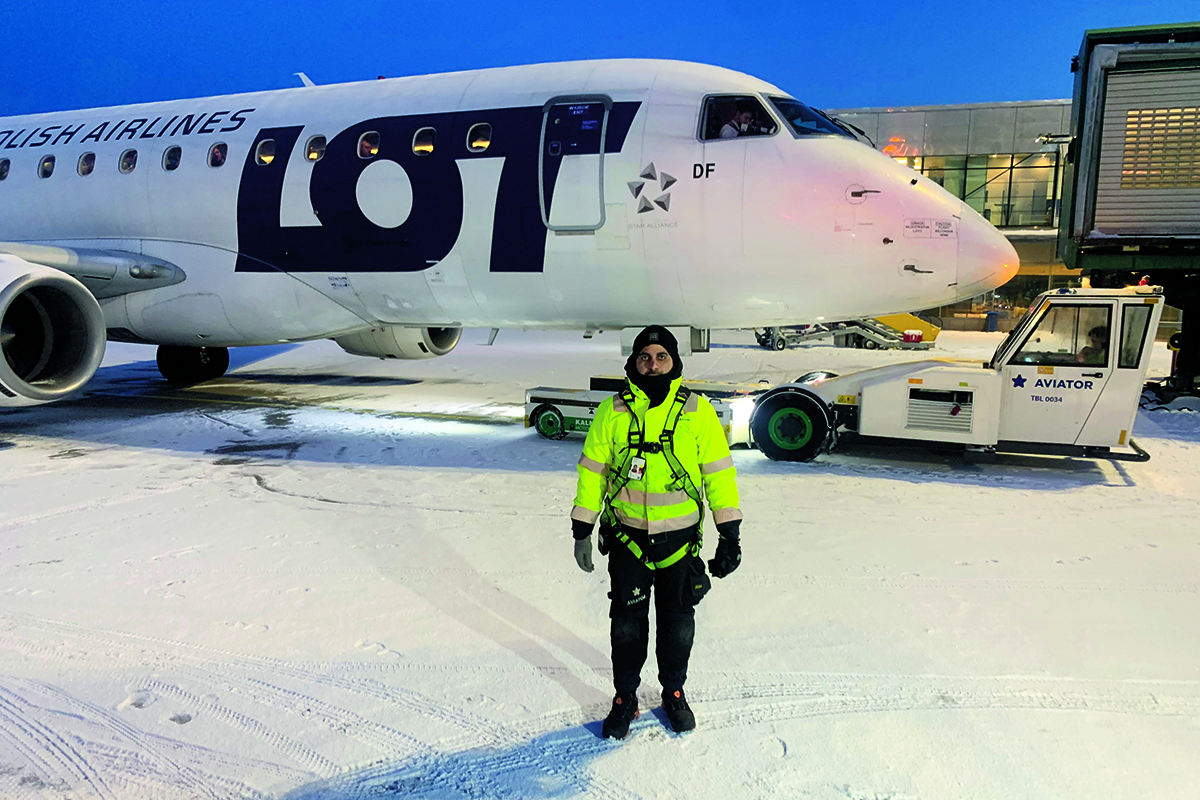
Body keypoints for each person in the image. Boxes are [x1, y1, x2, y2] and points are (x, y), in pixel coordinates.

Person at [571, 325, 743, 739]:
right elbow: (592, 472)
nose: (652, 365)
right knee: (626, 625)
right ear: (633, 363)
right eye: (645, 357)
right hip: (629, 539)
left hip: (679, 544)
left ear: (674, 362)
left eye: (661, 357)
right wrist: (582, 527)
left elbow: (719, 475)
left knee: (677, 624)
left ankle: (674, 691)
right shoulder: (611, 412)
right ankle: (625, 697)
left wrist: (730, 534)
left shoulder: (697, 411)